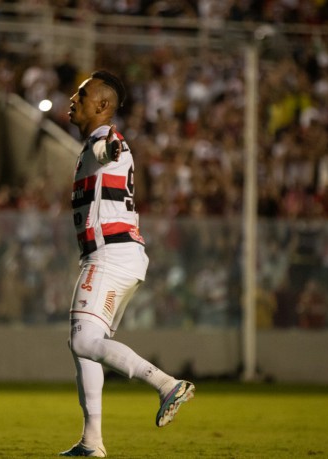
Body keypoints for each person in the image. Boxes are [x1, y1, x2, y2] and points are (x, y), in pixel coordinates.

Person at [59, 70, 194, 458]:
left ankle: (166, 384)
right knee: (85, 344)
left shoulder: (106, 139)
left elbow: (110, 149)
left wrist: (110, 149)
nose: (72, 98)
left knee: (84, 341)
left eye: (81, 95)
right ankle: (92, 442)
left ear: (102, 106)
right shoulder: (96, 141)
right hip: (119, 255)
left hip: (111, 255)